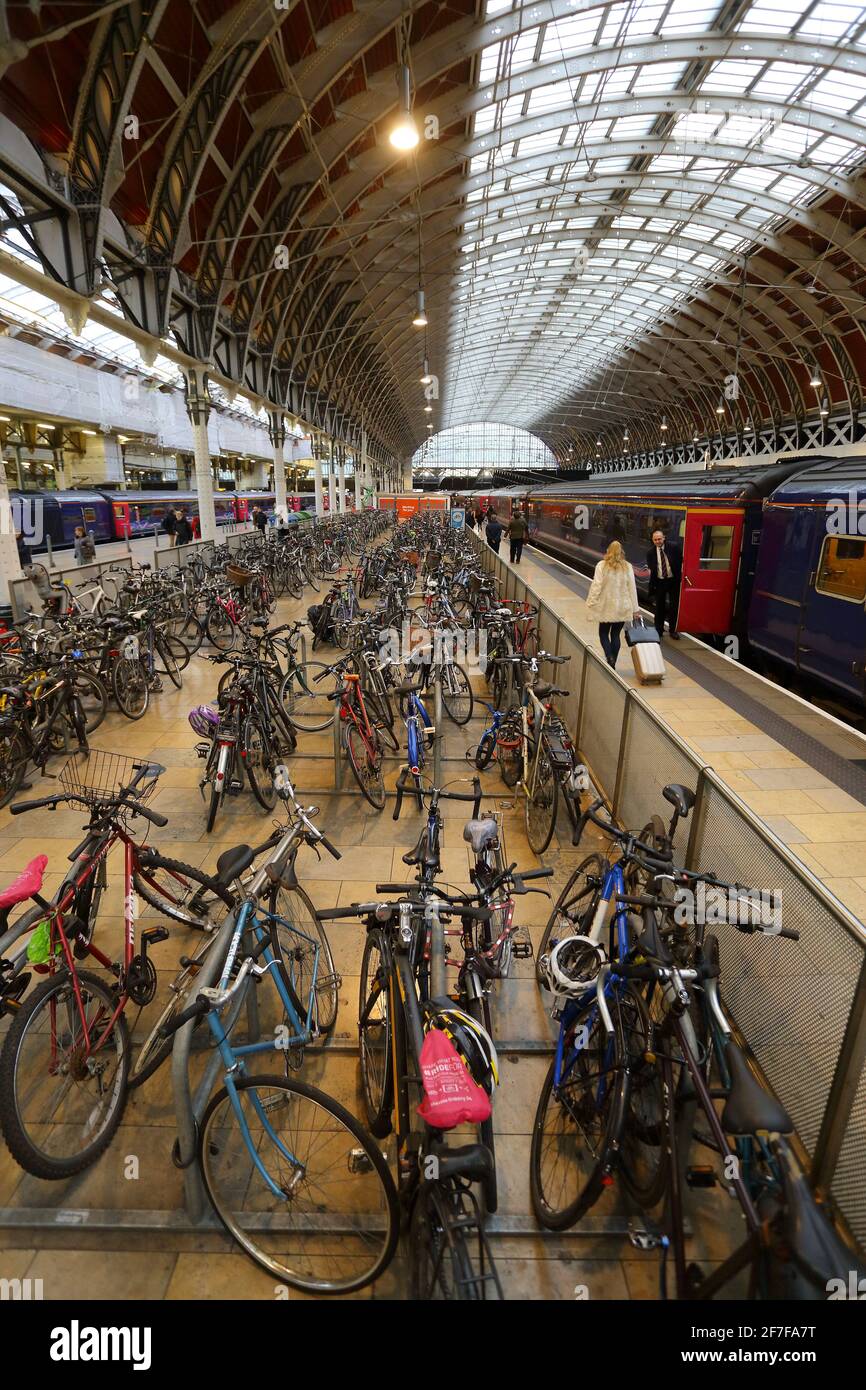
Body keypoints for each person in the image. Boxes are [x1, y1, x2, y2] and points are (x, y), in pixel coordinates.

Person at [585, 540, 640, 670]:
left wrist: (591, 602)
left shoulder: (601, 565)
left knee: (603, 633)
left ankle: (609, 657)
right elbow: (632, 588)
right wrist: (635, 609)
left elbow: (596, 586)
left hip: (606, 606)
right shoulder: (627, 566)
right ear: (622, 552)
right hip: (622, 606)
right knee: (615, 635)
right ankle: (613, 662)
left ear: (608, 551)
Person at [646, 528, 682, 640]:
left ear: (664, 538)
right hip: (660, 581)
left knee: (674, 606)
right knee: (659, 607)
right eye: (655, 540)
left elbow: (680, 560)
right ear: (653, 540)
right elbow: (652, 568)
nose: (658, 541)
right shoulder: (650, 553)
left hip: (673, 581)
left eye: (659, 539)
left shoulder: (674, 547)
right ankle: (659, 630)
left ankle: (673, 630)